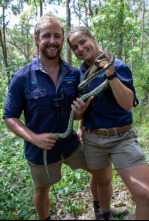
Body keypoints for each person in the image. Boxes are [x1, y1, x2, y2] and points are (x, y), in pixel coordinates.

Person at [2, 14, 127, 220]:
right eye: (46, 36)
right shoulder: (22, 77)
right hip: (41, 149)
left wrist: (79, 116)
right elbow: (9, 117)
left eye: (57, 36)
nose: (52, 41)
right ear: (36, 39)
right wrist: (34, 138)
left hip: (72, 144)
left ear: (62, 41)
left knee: (102, 172)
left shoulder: (73, 73)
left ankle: (103, 210)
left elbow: (81, 111)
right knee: (42, 190)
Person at [67, 26, 149, 220]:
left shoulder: (117, 66)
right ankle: (104, 214)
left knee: (145, 195)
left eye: (82, 42)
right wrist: (79, 119)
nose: (80, 49)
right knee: (102, 181)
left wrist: (110, 74)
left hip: (122, 138)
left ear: (93, 38)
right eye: (74, 47)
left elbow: (127, 104)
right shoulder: (79, 75)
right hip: (93, 139)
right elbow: (83, 110)